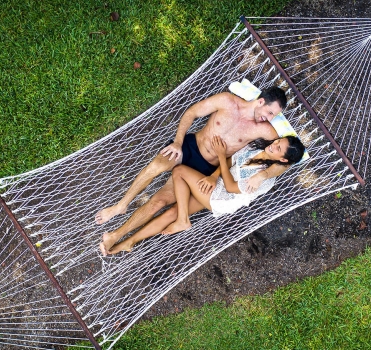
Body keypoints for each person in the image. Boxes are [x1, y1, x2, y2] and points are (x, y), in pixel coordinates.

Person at [97, 87, 291, 253]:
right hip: (188, 147)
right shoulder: (227, 101)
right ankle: (120, 206)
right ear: (261, 101)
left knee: (159, 202)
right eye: (270, 112)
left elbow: (287, 161)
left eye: (274, 116)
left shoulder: (265, 131)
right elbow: (192, 112)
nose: (270, 118)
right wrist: (177, 143)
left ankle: (116, 236)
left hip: (205, 168)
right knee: (156, 166)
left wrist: (262, 175)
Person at [105, 135, 305, 254]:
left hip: (223, 199)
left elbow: (231, 187)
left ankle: (183, 220)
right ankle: (129, 242)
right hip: (217, 185)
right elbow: (229, 163)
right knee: (170, 213)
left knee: (179, 172)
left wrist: (219, 155)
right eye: (278, 141)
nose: (274, 144)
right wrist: (213, 175)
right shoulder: (257, 148)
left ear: (283, 160)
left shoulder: (265, 180)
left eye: (278, 148)